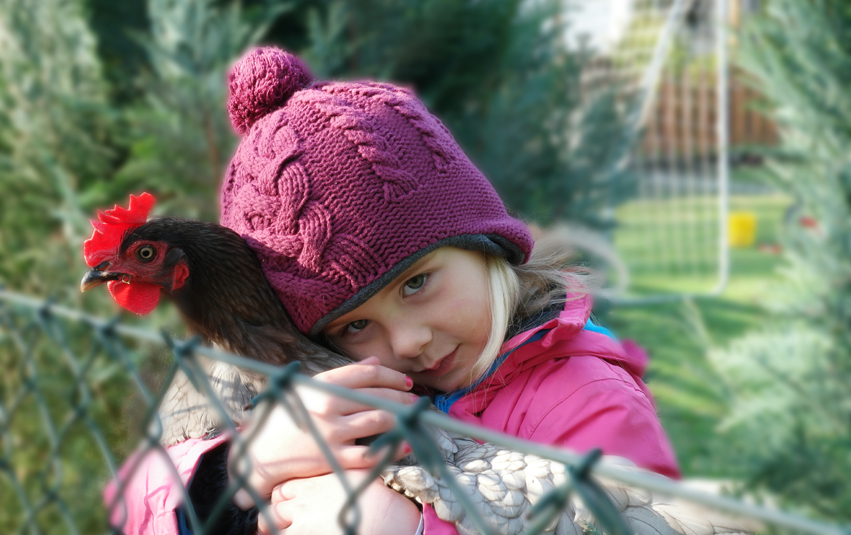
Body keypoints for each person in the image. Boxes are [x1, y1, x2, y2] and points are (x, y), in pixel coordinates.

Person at [108, 46, 679, 535]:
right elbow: (132, 498)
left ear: (485, 244)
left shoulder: (585, 399)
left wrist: (410, 524)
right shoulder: (318, 389)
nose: (407, 342)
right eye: (356, 324)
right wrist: (241, 470)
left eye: (417, 283)